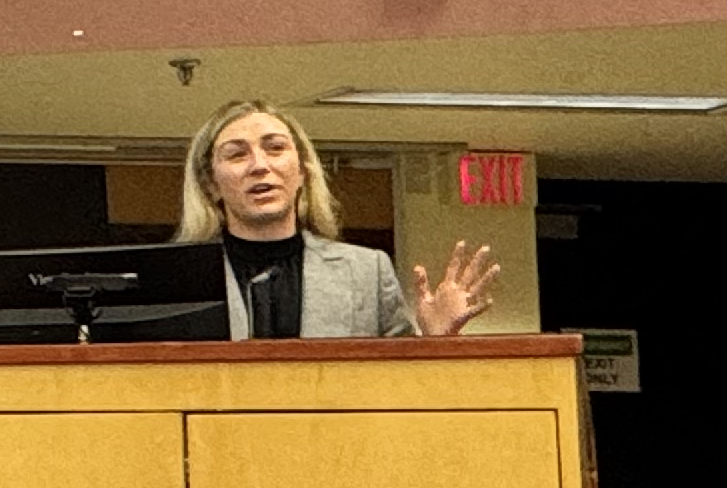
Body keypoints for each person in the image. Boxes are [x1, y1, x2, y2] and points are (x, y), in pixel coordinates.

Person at [173, 101, 501, 339]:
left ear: (302, 171)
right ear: (210, 183)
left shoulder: (366, 272)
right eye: (236, 154)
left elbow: (400, 389)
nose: (259, 165)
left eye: (275, 148)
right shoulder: (179, 278)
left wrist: (436, 342)